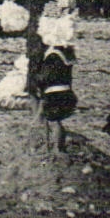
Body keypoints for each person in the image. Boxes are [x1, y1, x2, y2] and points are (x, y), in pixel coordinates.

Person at [32, 15, 77, 154]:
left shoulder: (52, 56)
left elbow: (47, 76)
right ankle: (57, 147)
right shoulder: (66, 55)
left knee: (52, 121)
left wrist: (37, 79)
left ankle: (53, 148)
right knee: (56, 121)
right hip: (67, 92)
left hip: (54, 93)